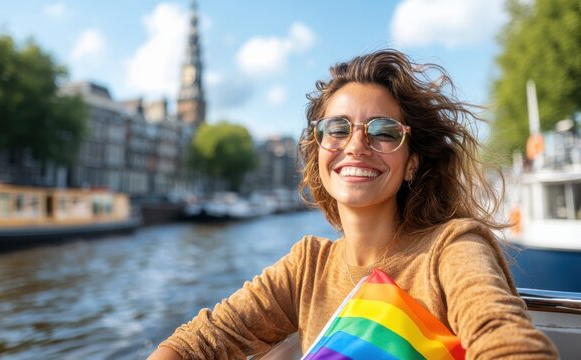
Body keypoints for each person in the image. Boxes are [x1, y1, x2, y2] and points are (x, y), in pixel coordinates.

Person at [148, 49, 557, 359]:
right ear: (319, 153)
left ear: (412, 162)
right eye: (337, 129)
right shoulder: (307, 267)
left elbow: (505, 339)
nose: (357, 145)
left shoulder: (451, 249)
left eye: (383, 131)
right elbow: (203, 341)